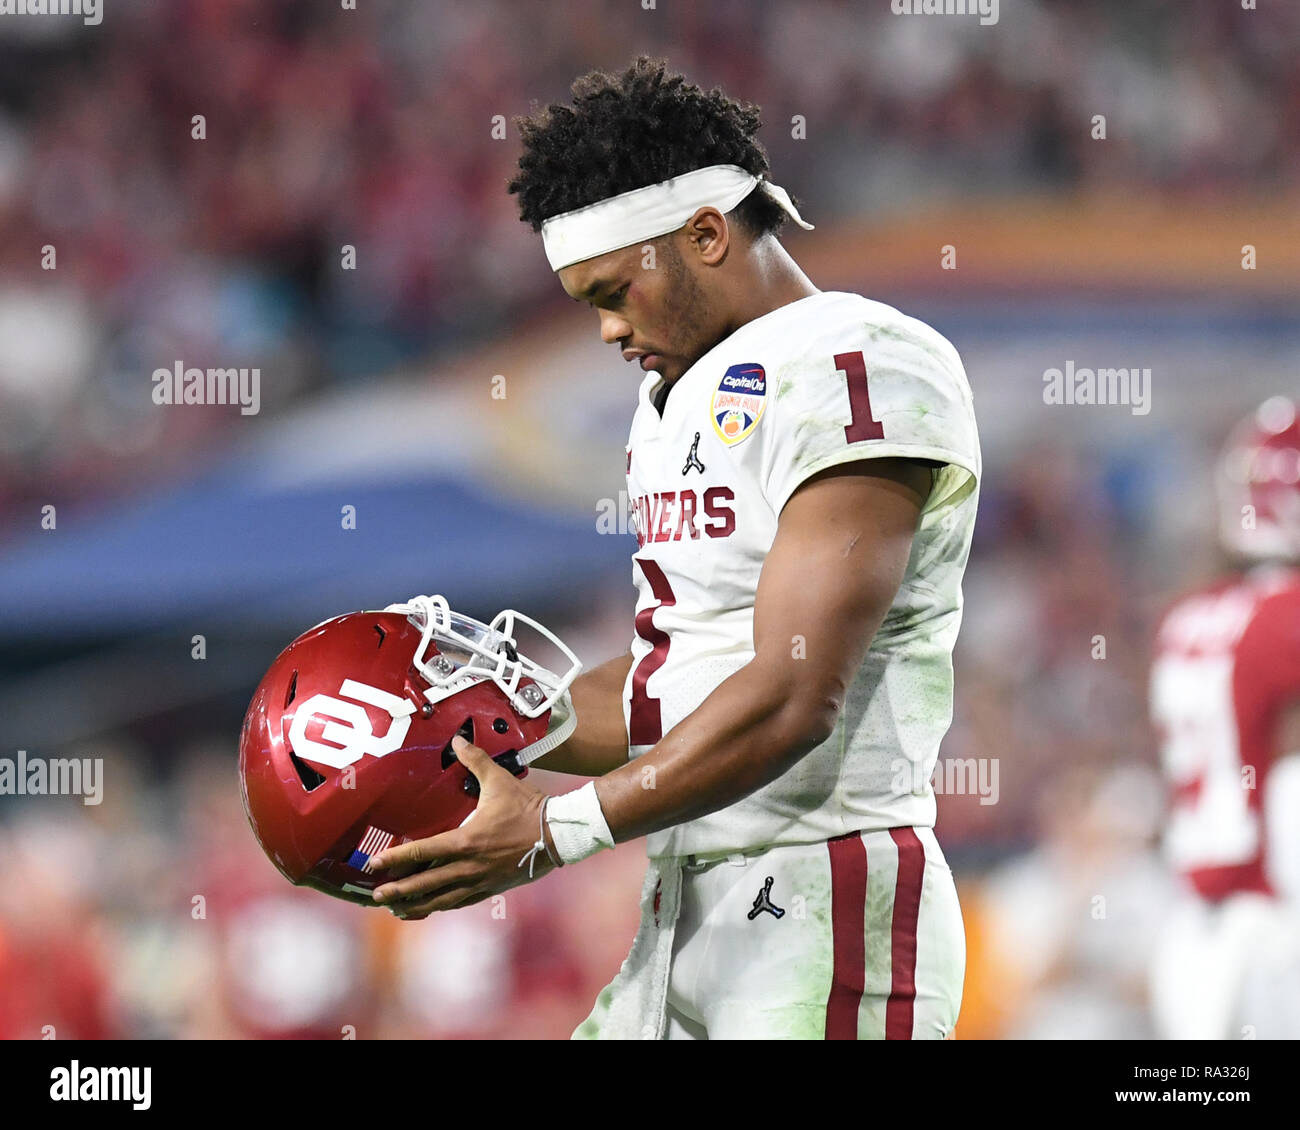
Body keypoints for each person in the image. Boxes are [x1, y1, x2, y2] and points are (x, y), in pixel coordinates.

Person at [366, 57, 981, 1040]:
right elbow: (671, 682)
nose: (607, 329)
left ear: (704, 232)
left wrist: (555, 828)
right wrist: (469, 719)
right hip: (689, 897)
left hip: (822, 896)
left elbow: (791, 691)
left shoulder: (857, 360)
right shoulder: (677, 399)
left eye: (613, 290)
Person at [1148, 395, 1300, 1039]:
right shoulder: (1286, 618)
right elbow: (1291, 781)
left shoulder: (1189, 617)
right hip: (1276, 921)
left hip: (1193, 929)